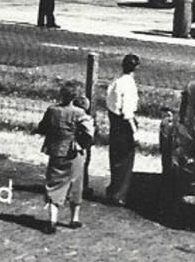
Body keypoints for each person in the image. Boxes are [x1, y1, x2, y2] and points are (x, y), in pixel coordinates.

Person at [34, 80, 93, 233]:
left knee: (54, 183)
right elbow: (89, 132)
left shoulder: (52, 110)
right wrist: (81, 144)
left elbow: (42, 128)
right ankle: (74, 219)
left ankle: (52, 220)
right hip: (74, 153)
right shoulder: (80, 113)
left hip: (56, 151)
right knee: (76, 183)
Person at [104, 54, 141, 206]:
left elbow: (109, 102)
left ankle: (112, 189)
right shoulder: (130, 85)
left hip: (114, 121)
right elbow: (128, 113)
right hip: (125, 124)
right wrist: (135, 133)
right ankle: (119, 194)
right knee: (126, 160)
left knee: (115, 157)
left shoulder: (116, 82)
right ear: (136, 67)